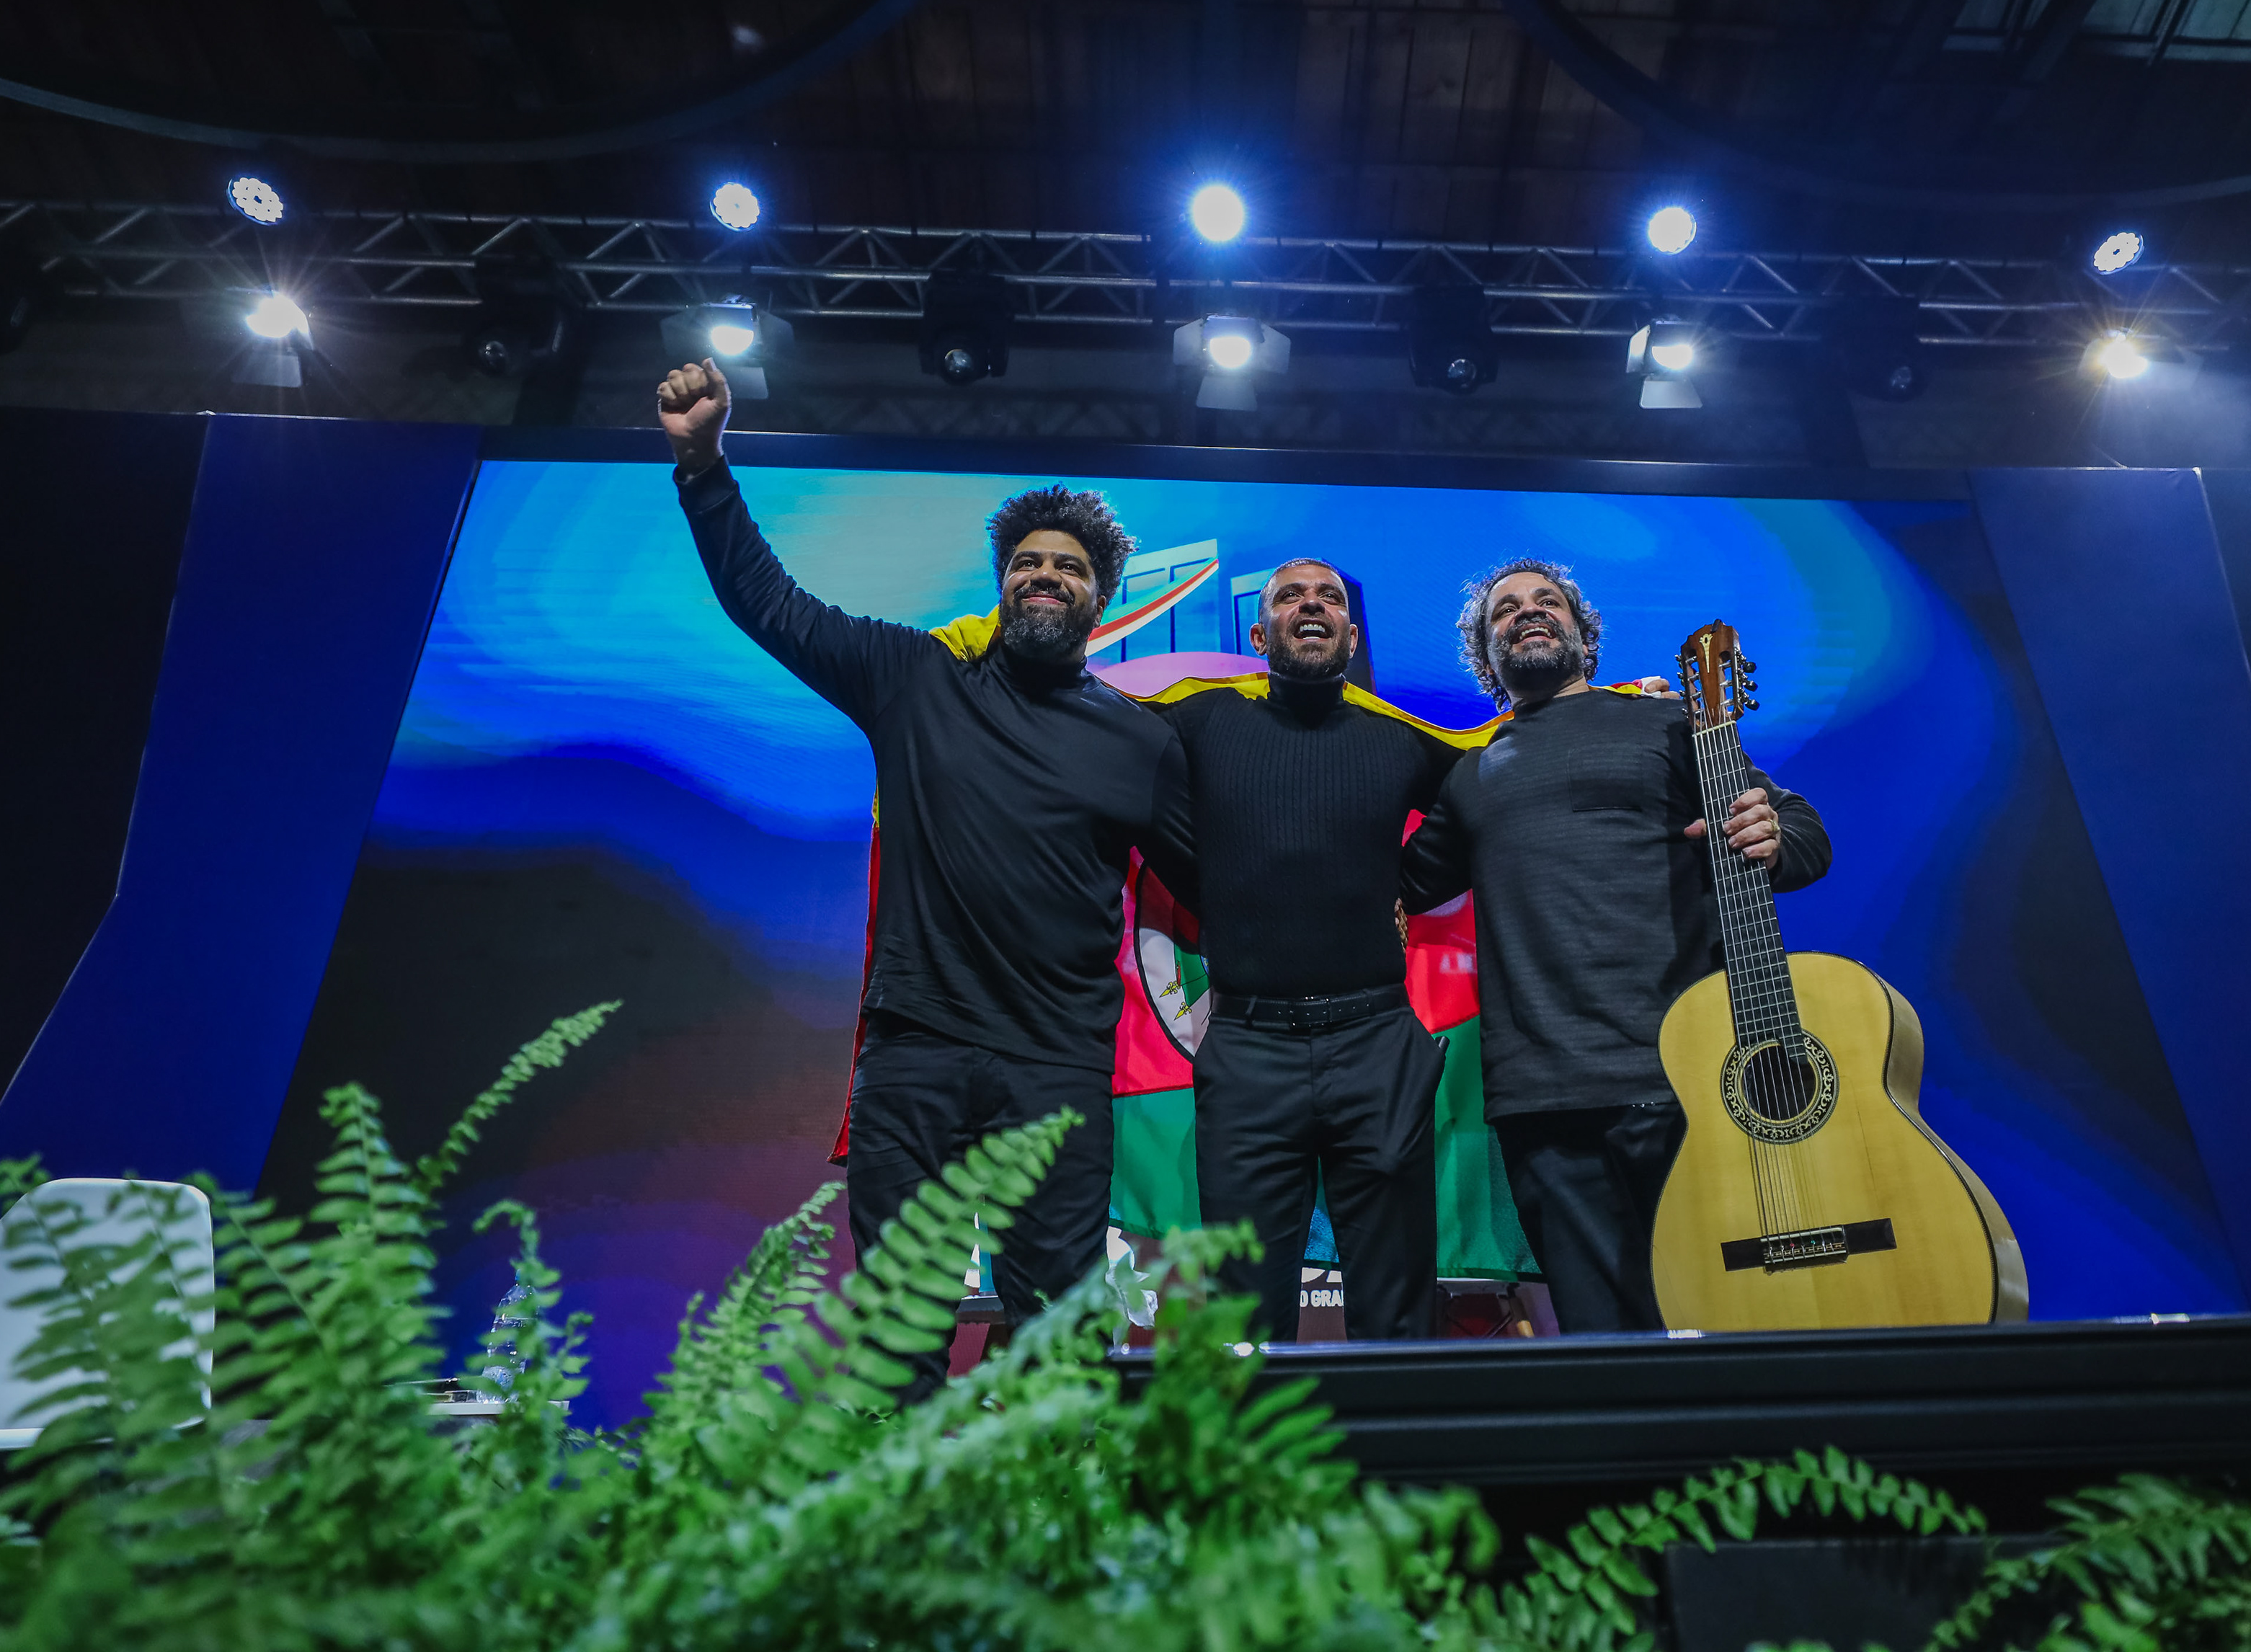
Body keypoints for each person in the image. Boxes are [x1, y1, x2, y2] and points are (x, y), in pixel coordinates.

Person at [656, 358, 1194, 1398]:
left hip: (1057, 1066)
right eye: (1027, 563)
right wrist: (703, 466)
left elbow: (1216, 884)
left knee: (1059, 1337)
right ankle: (897, 1499)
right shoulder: (914, 678)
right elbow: (770, 603)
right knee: (898, 1333)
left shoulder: (1142, 741)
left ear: (1101, 598)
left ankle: (1044, 1501)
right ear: (1002, 584)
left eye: (1069, 566)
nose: (1045, 575)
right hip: (917, 1051)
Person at [1398, 557, 1830, 1333]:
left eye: (1548, 601)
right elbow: (1396, 890)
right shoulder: (1470, 776)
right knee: (1607, 1346)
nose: (1528, 612)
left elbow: (1802, 832)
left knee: (1733, 1324)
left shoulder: (1668, 724)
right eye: (1505, 610)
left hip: (1691, 1080)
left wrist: (1774, 835)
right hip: (1544, 1102)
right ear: (1486, 655)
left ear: (1583, 636)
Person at [1160, 559, 1465, 1343]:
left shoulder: (1399, 737)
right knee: (1243, 1318)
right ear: (1259, 635)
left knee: (1397, 1314)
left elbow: (1494, 792)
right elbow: (1104, 757)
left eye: (1329, 597)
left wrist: (1409, 885)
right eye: (1291, 596)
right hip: (1248, 1049)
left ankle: (1394, 1433)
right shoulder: (1201, 721)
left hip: (1377, 1043)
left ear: (1352, 639)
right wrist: (1212, 886)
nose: (1312, 605)